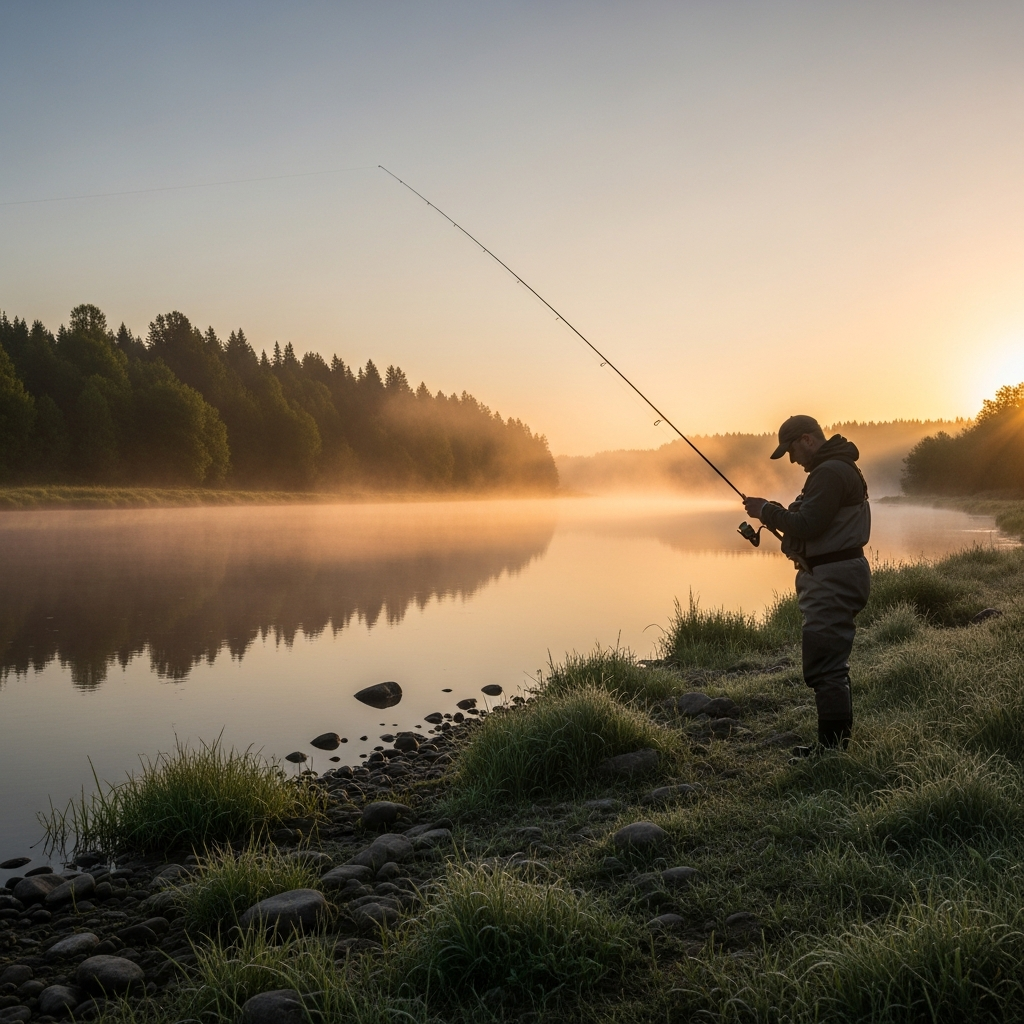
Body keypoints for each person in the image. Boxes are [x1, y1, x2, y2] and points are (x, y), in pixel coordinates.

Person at [742, 415, 871, 757]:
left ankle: (831, 753)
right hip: (834, 574)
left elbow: (809, 524)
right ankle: (835, 746)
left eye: (792, 451)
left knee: (825, 663)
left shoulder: (829, 473)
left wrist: (766, 510)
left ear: (807, 440)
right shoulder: (834, 469)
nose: (792, 460)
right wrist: (773, 513)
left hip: (833, 578)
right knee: (830, 662)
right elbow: (811, 521)